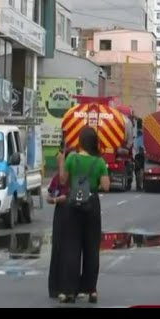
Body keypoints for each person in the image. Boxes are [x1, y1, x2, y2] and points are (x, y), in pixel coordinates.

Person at [57, 126, 110, 304]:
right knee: (92, 248)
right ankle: (91, 290)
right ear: (95, 143)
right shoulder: (100, 162)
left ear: (80, 142)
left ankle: (69, 292)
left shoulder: (72, 158)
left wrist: (61, 161)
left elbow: (63, 180)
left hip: (73, 205)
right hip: (92, 205)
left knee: (72, 247)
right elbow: (106, 186)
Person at [47, 148, 73, 299]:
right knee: (57, 249)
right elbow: (51, 193)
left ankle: (68, 287)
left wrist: (57, 199)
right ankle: (55, 288)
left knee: (70, 252)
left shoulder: (77, 177)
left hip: (74, 214)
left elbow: (71, 195)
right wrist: (54, 198)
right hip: (61, 214)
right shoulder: (58, 178)